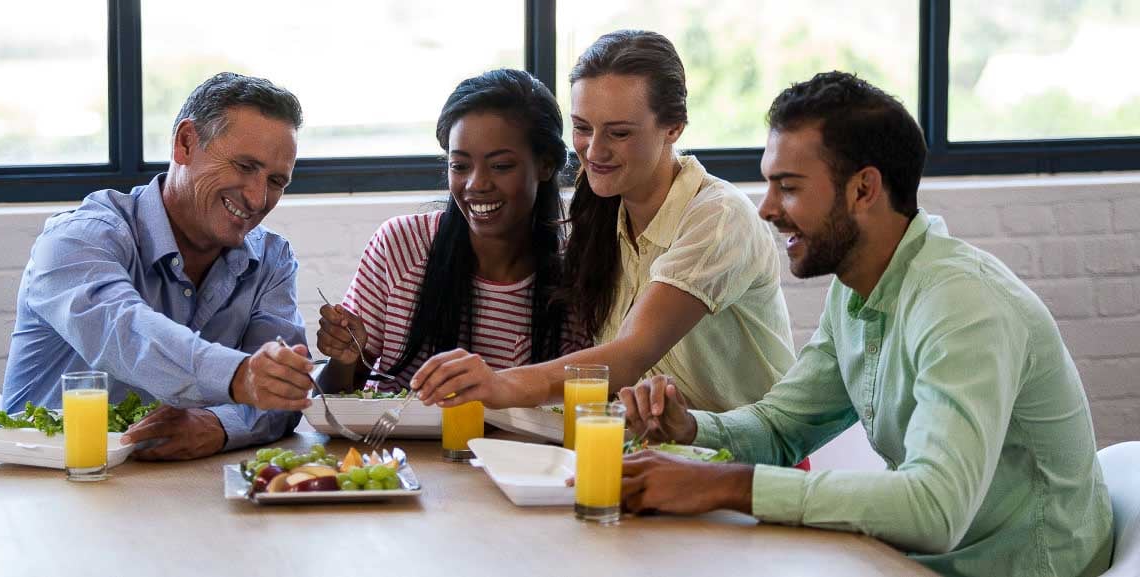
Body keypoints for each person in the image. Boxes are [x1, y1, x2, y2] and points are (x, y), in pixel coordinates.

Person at [617, 71, 1113, 577]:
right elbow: (782, 427)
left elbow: (934, 509)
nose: (765, 209)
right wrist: (691, 427)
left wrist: (725, 485)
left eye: (787, 187)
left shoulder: (964, 306)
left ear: (863, 189)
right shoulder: (857, 290)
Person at [411, 30, 795, 415]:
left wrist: (501, 382)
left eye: (619, 132)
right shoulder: (601, 213)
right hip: (657, 455)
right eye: (582, 128)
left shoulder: (718, 217)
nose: (594, 151)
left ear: (673, 127)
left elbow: (629, 357)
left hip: (745, 461)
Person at [2, 72, 317, 460]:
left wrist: (217, 426)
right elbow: (124, 333)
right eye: (244, 166)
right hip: (43, 486)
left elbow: (280, 399)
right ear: (186, 143)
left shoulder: (271, 260)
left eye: (276, 181)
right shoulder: (77, 238)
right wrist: (239, 377)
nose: (257, 197)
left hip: (173, 493)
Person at [315, 69, 587, 392]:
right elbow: (333, 398)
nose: (476, 184)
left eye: (500, 166)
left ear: (546, 165)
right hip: (399, 445)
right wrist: (344, 359)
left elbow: (586, 400)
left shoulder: (575, 275)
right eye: (460, 166)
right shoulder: (401, 246)